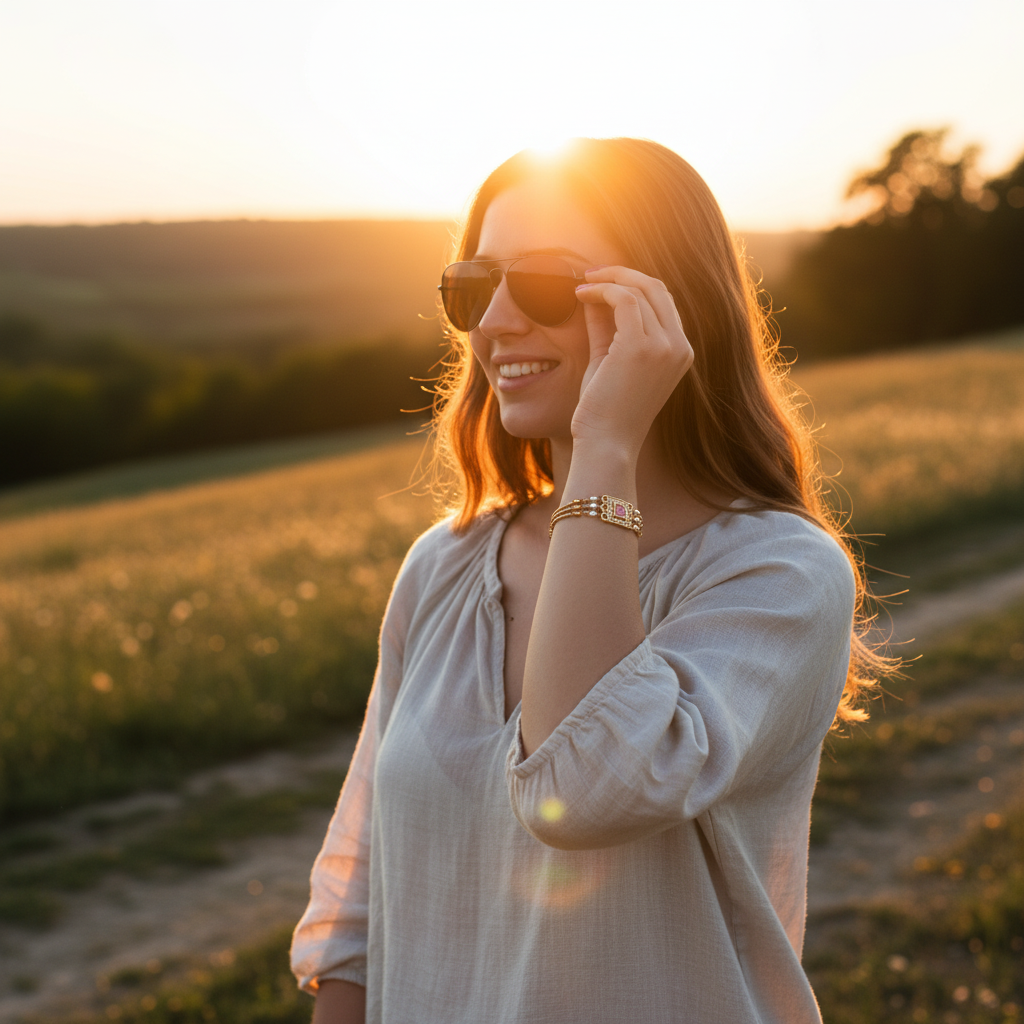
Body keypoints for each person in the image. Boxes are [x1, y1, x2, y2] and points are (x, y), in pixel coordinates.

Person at [290, 137, 887, 1023]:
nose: (493, 320)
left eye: (541, 282)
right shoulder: (442, 568)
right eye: (471, 286)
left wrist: (607, 445)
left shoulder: (780, 572)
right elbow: (356, 910)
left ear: (664, 310)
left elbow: (588, 790)